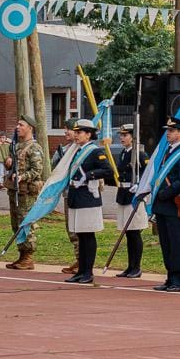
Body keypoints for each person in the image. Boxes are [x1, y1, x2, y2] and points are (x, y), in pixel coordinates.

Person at [150, 116, 180, 292]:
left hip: (175, 204)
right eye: (167, 131)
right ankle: (170, 277)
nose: (168, 134)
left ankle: (179, 280)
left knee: (177, 243)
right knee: (166, 243)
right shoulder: (168, 152)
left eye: (171, 131)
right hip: (163, 204)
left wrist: (166, 194)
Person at [64, 119, 113, 284]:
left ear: (88, 134)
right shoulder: (77, 151)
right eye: (76, 132)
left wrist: (88, 175)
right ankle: (81, 270)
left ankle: (88, 272)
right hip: (76, 197)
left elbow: (107, 170)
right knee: (80, 235)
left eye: (79, 133)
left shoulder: (94, 151)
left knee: (88, 235)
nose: (76, 135)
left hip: (87, 198)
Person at [1, 115, 45, 271]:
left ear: (30, 128)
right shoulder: (17, 146)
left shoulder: (34, 147)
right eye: (17, 124)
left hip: (27, 192)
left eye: (21, 125)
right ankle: (22, 254)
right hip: (15, 191)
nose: (17, 127)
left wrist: (22, 176)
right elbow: (13, 165)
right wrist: (8, 164)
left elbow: (37, 170)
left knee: (26, 223)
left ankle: (28, 256)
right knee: (16, 223)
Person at [112, 124, 148, 278]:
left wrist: (139, 186)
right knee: (128, 233)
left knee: (135, 233)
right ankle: (130, 266)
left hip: (134, 196)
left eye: (125, 135)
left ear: (133, 137)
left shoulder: (140, 154)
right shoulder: (123, 153)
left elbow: (147, 174)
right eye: (121, 135)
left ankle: (136, 267)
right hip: (124, 194)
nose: (122, 138)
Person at [53, 118, 82, 276]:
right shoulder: (64, 149)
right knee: (70, 228)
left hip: (78, 194)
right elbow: (55, 166)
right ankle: (78, 258)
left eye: (69, 129)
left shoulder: (81, 150)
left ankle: (82, 260)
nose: (66, 132)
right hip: (67, 193)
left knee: (78, 228)